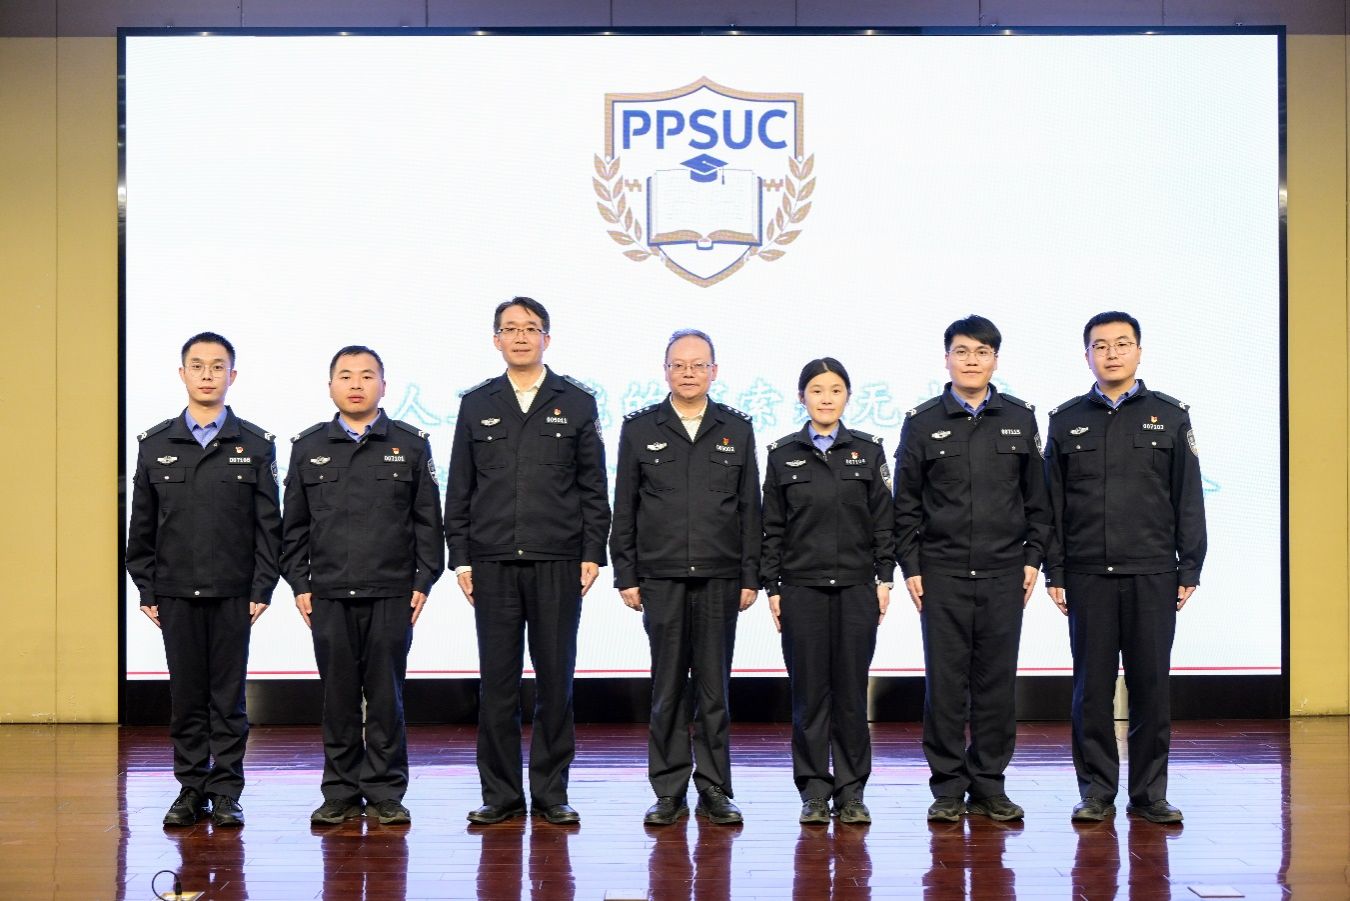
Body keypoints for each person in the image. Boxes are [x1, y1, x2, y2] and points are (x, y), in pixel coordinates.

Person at [445, 296, 612, 826]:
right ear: (496, 339)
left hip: (558, 561)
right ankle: (500, 794)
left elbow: (594, 487)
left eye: (531, 328)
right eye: (510, 328)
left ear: (547, 338)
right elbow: (460, 487)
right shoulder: (477, 404)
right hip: (492, 562)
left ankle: (551, 792)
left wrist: (592, 553)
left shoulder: (577, 402)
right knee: (497, 685)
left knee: (555, 682)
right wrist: (461, 560)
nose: (521, 337)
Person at [1044, 311, 1206, 825]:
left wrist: (1189, 567)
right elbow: (1052, 505)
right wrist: (1055, 571)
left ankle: (1150, 794)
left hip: (1152, 573)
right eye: (1100, 345)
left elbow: (1188, 496)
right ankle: (1096, 792)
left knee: (1151, 688)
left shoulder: (1170, 416)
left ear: (1139, 350)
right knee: (1090, 691)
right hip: (1087, 574)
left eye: (1122, 343)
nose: (1111, 353)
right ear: (1086, 355)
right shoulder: (1065, 420)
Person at [893, 315, 1051, 823]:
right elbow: (905, 505)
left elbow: (1039, 501)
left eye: (982, 352)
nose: (971, 361)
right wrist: (911, 566)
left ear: (995, 361)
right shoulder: (922, 422)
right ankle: (947, 788)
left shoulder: (1020, 419)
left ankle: (989, 785)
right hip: (941, 574)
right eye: (962, 351)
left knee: (995, 685)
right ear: (947, 359)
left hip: (1005, 573)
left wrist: (1032, 559)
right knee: (945, 687)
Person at [280, 345, 445, 826]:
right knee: (338, 699)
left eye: (367, 375)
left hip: (392, 592)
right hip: (329, 594)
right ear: (331, 385)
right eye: (346, 375)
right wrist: (299, 582)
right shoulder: (308, 446)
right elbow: (294, 526)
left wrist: (423, 579)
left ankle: (386, 792)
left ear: (383, 386)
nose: (356, 384)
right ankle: (340, 792)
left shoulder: (410, 445)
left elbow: (427, 521)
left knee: (386, 698)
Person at [126, 331, 281, 828]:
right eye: (197, 366)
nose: (207, 375)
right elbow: (141, 528)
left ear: (232, 376)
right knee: (187, 697)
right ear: (182, 374)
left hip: (234, 593)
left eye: (217, 367)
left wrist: (261, 588)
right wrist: (147, 588)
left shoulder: (255, 445)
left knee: (228, 699)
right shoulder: (155, 446)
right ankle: (191, 788)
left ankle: (227, 790)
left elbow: (268, 527)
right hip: (175, 592)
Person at [611, 329, 761, 826]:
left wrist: (751, 575)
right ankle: (669, 790)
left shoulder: (736, 428)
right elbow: (625, 507)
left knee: (715, 691)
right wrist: (626, 573)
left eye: (698, 365)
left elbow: (750, 509)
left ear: (714, 371)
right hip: (662, 577)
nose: (689, 373)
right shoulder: (640, 428)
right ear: (666, 371)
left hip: (721, 576)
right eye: (679, 365)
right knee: (668, 690)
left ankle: (715, 788)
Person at [761, 358, 895, 825]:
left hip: (857, 589)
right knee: (810, 696)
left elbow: (884, 523)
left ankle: (852, 793)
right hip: (801, 591)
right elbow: (771, 528)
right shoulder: (782, 454)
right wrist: (773, 587)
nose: (825, 398)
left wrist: (884, 579)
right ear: (802, 397)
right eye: (816, 390)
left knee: (851, 696)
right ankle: (814, 792)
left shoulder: (868, 451)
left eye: (835, 390)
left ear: (848, 397)